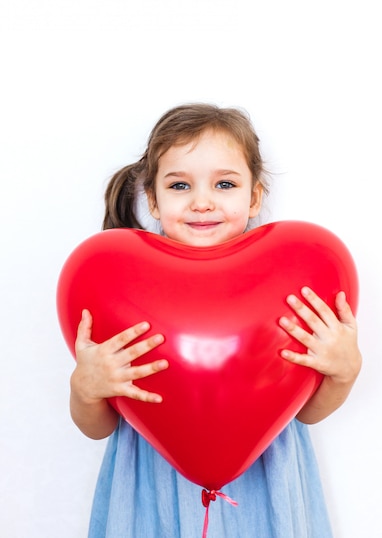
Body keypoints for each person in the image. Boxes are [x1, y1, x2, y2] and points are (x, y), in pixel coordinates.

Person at [70, 103, 362, 537]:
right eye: (180, 185)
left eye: (224, 183)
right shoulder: (119, 286)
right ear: (152, 198)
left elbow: (307, 414)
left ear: (255, 195)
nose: (202, 202)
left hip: (264, 481)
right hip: (153, 485)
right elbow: (98, 428)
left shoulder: (290, 281)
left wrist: (343, 371)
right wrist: (86, 387)